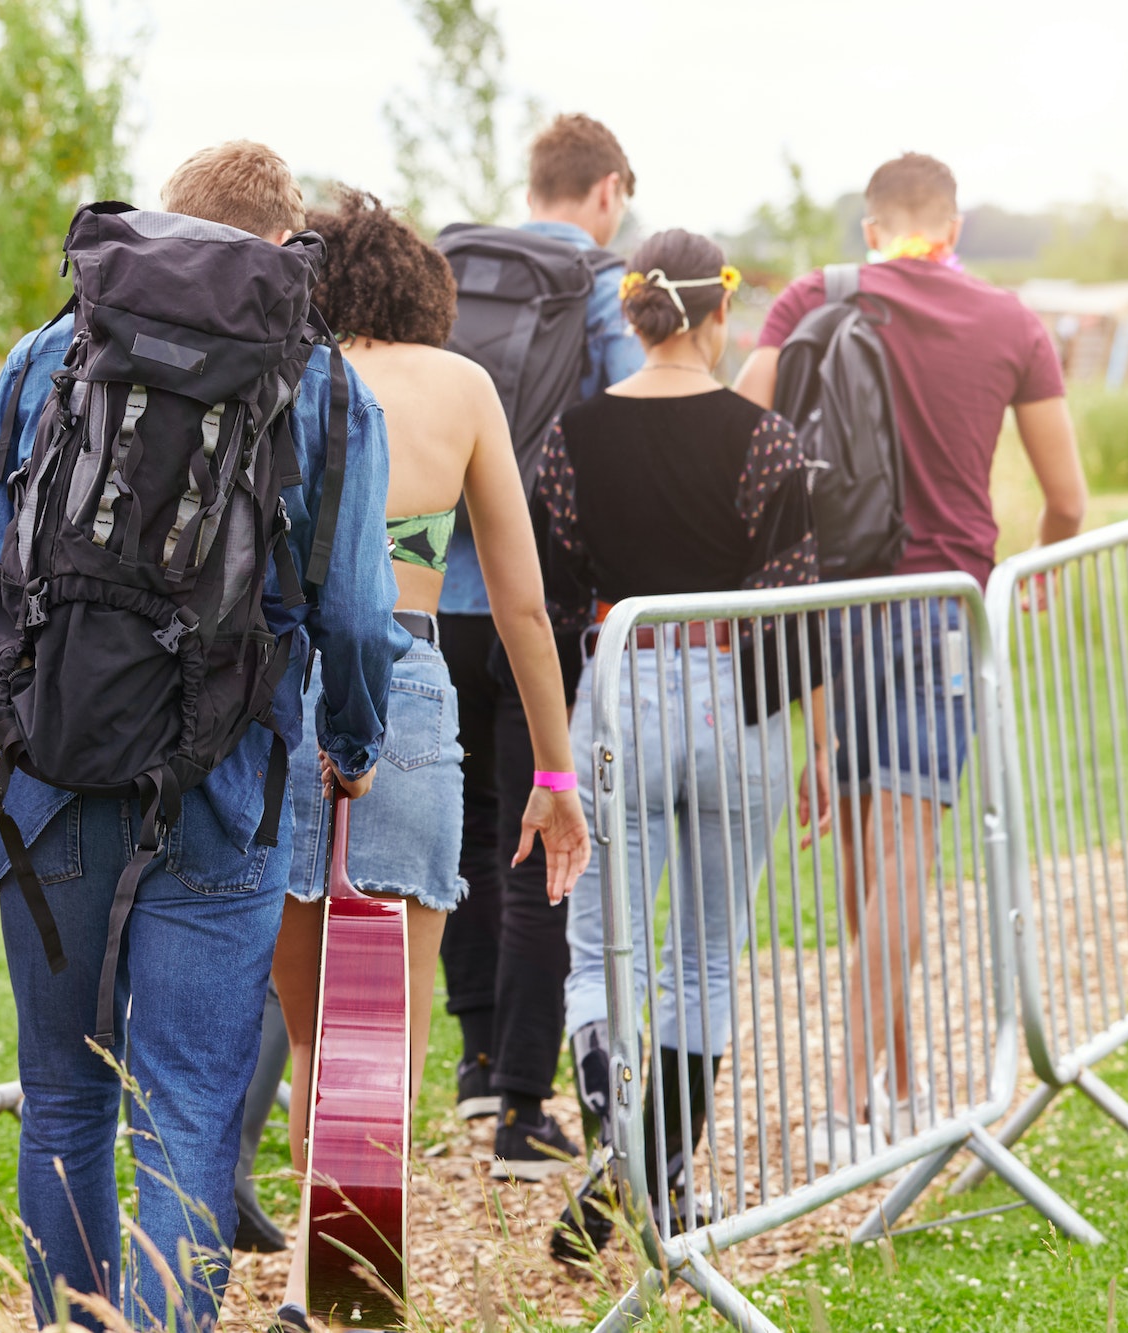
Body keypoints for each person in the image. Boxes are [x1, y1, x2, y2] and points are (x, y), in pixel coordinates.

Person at [0, 140, 408, 1330]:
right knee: (186, 1106)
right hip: (221, 778)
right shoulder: (325, 382)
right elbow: (353, 610)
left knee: (62, 1096)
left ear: (161, 227)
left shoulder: (52, 351)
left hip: (44, 768)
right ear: (280, 248)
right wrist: (349, 739)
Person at [268, 190, 588, 1326]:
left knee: (311, 1034)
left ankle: (318, 1275)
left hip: (273, 693)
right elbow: (520, 604)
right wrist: (553, 777)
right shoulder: (458, 390)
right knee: (384, 1025)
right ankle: (353, 1290)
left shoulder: (281, 373)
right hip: (401, 683)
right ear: (423, 291)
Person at [734, 152, 1086, 1156]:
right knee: (901, 855)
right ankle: (860, 1100)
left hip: (835, 596)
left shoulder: (815, 294)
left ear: (869, 227)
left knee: (858, 851)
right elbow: (1062, 495)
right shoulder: (1010, 321)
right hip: (942, 609)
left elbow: (743, 434)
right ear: (955, 225)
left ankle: (889, 1083)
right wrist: (1036, 578)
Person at [545, 229, 829, 1257]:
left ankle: (620, 1163)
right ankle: (655, 1182)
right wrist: (817, 738)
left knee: (597, 948)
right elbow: (795, 595)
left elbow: (559, 583)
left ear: (629, 315)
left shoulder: (571, 437)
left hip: (620, 678)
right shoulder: (766, 441)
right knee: (702, 953)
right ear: (718, 316)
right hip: (735, 694)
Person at [437, 113, 645, 1137]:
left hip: (433, 598)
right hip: (538, 607)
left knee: (467, 830)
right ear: (606, 191)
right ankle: (525, 1098)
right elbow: (623, 421)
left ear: (535, 185)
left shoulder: (462, 270)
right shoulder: (598, 285)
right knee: (538, 836)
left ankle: (475, 1058)